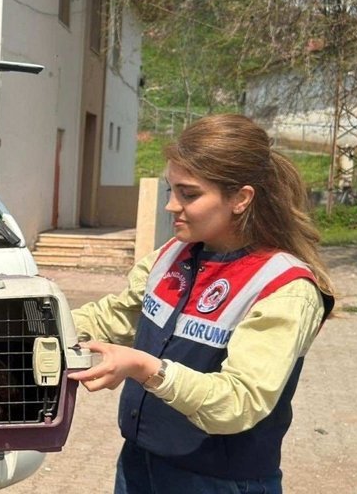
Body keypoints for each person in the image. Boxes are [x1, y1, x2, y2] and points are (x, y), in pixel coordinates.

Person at [68, 114, 335, 494]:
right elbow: (115, 316)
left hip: (219, 482)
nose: (171, 207)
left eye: (189, 194)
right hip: (140, 464)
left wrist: (147, 369)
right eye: (169, 190)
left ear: (241, 199)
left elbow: (241, 400)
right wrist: (32, 322)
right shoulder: (171, 255)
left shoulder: (284, 287)